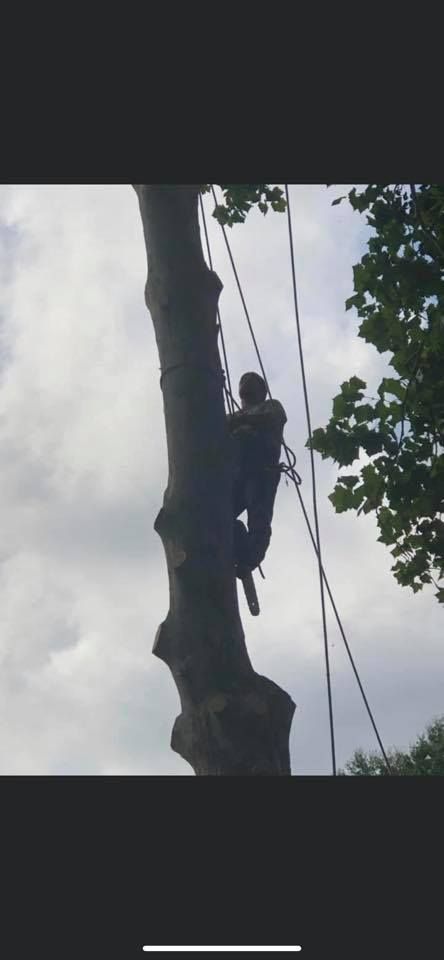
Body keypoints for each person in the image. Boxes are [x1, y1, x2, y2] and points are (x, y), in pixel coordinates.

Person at [227, 372, 287, 579]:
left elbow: (272, 417)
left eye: (251, 381)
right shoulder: (232, 418)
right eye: (243, 380)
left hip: (262, 472)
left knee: (259, 518)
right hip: (238, 475)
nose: (246, 383)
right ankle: (238, 543)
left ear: (263, 391)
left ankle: (250, 558)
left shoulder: (271, 406)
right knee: (219, 513)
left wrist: (239, 421)